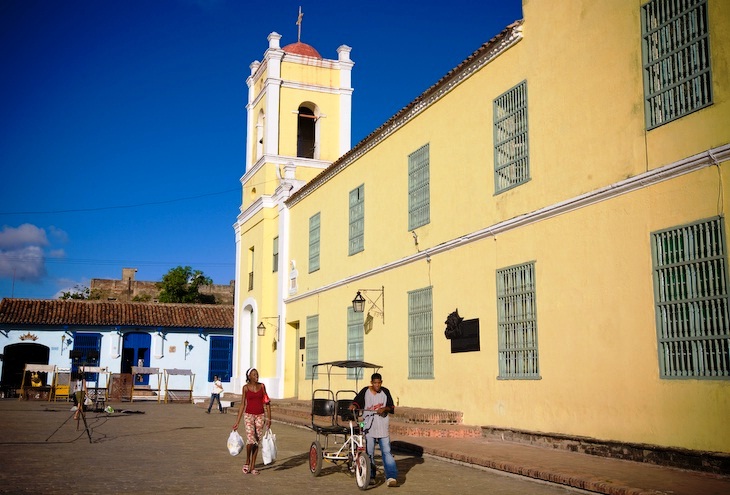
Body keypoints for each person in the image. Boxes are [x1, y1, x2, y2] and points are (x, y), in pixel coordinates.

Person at [350, 372, 398, 487]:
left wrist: (384, 408)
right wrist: (354, 406)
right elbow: (357, 402)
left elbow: (391, 407)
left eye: (379, 383)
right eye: (375, 383)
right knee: (369, 453)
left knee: (387, 453)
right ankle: (371, 476)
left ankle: (391, 477)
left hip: (382, 427)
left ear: (381, 382)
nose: (377, 385)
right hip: (369, 428)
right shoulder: (365, 391)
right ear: (371, 383)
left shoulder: (385, 392)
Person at [233, 368, 271, 475]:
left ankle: (253, 466)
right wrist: (237, 422)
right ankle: (247, 461)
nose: (256, 376)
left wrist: (269, 418)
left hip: (260, 416)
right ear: (249, 376)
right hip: (248, 416)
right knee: (250, 439)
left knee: (257, 441)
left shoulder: (262, 386)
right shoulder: (245, 388)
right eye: (254, 374)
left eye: (257, 374)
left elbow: (267, 402)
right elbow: (242, 405)